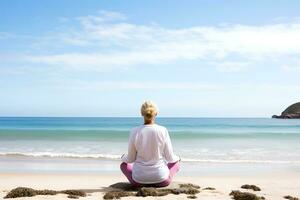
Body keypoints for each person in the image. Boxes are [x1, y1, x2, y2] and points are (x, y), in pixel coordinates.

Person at [120, 100, 180, 187]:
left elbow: (130, 159)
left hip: (139, 181)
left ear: (141, 113)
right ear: (156, 114)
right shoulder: (163, 130)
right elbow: (170, 158)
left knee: (123, 165)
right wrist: (178, 158)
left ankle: (143, 176)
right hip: (161, 180)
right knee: (176, 163)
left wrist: (123, 157)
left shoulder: (134, 131)